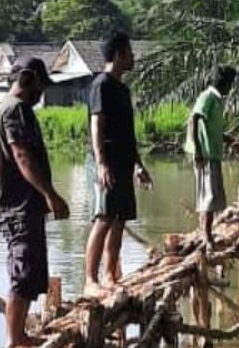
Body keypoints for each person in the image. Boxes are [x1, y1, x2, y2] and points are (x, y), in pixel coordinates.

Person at [0, 57, 70, 348]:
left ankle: (19, 337)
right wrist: (50, 194)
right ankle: (15, 340)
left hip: (27, 206)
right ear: (28, 79)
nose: (41, 93)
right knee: (23, 273)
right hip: (18, 207)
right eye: (40, 84)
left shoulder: (18, 109)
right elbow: (22, 156)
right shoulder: (14, 110)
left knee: (32, 273)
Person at [85, 32, 152, 296]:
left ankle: (110, 274)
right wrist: (101, 163)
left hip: (124, 162)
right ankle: (90, 280)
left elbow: (128, 132)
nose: (133, 56)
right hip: (107, 162)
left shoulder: (123, 89)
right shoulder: (101, 84)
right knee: (103, 217)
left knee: (120, 218)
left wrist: (138, 165)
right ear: (118, 54)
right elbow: (96, 124)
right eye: (130, 52)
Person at [185, 66, 236, 248]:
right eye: (230, 84)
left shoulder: (216, 99)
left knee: (214, 196)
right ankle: (206, 237)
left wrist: (226, 138)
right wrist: (198, 150)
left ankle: (208, 233)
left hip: (213, 152)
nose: (230, 88)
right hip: (205, 154)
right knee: (208, 196)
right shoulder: (207, 97)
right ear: (225, 84)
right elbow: (194, 120)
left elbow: (210, 126)